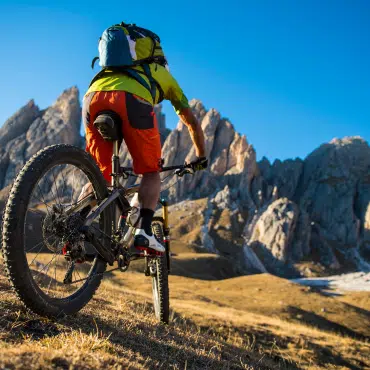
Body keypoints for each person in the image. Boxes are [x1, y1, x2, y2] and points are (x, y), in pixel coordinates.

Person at [82, 26, 207, 253]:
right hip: (132, 100)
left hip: (92, 97)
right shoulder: (162, 73)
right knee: (150, 172)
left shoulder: (112, 68)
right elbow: (192, 123)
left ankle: (75, 227)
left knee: (98, 174)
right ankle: (144, 233)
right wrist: (201, 156)